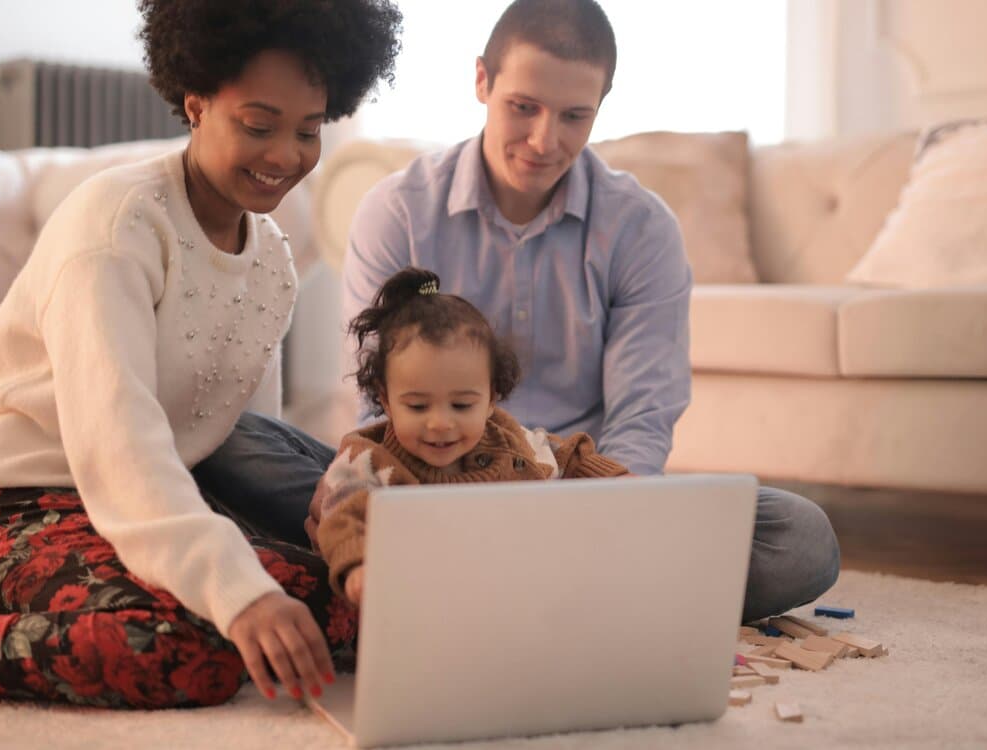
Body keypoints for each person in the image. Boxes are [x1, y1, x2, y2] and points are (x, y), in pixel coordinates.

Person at [0, 0, 401, 708]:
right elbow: (117, 445)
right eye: (258, 125)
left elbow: (231, 444)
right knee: (188, 648)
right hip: (0, 513)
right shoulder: (118, 224)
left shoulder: (274, 261)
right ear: (195, 103)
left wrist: (301, 555)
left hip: (143, 505)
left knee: (359, 604)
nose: (286, 155)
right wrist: (240, 594)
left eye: (309, 130)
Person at [340, 0, 840, 622]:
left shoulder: (640, 227)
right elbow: (375, 402)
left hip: (579, 495)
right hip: (426, 487)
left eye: (575, 116)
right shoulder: (399, 211)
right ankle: (577, 598)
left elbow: (644, 412)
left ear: (601, 104)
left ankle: (493, 593)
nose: (545, 141)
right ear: (482, 81)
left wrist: (604, 517)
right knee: (273, 462)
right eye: (523, 108)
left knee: (800, 538)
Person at [306, 267, 628, 603]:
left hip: (507, 589)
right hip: (413, 596)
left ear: (491, 400)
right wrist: (359, 565)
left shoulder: (507, 440)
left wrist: (616, 479)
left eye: (461, 405)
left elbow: (564, 455)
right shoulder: (366, 460)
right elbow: (340, 516)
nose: (441, 423)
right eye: (417, 406)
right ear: (385, 399)